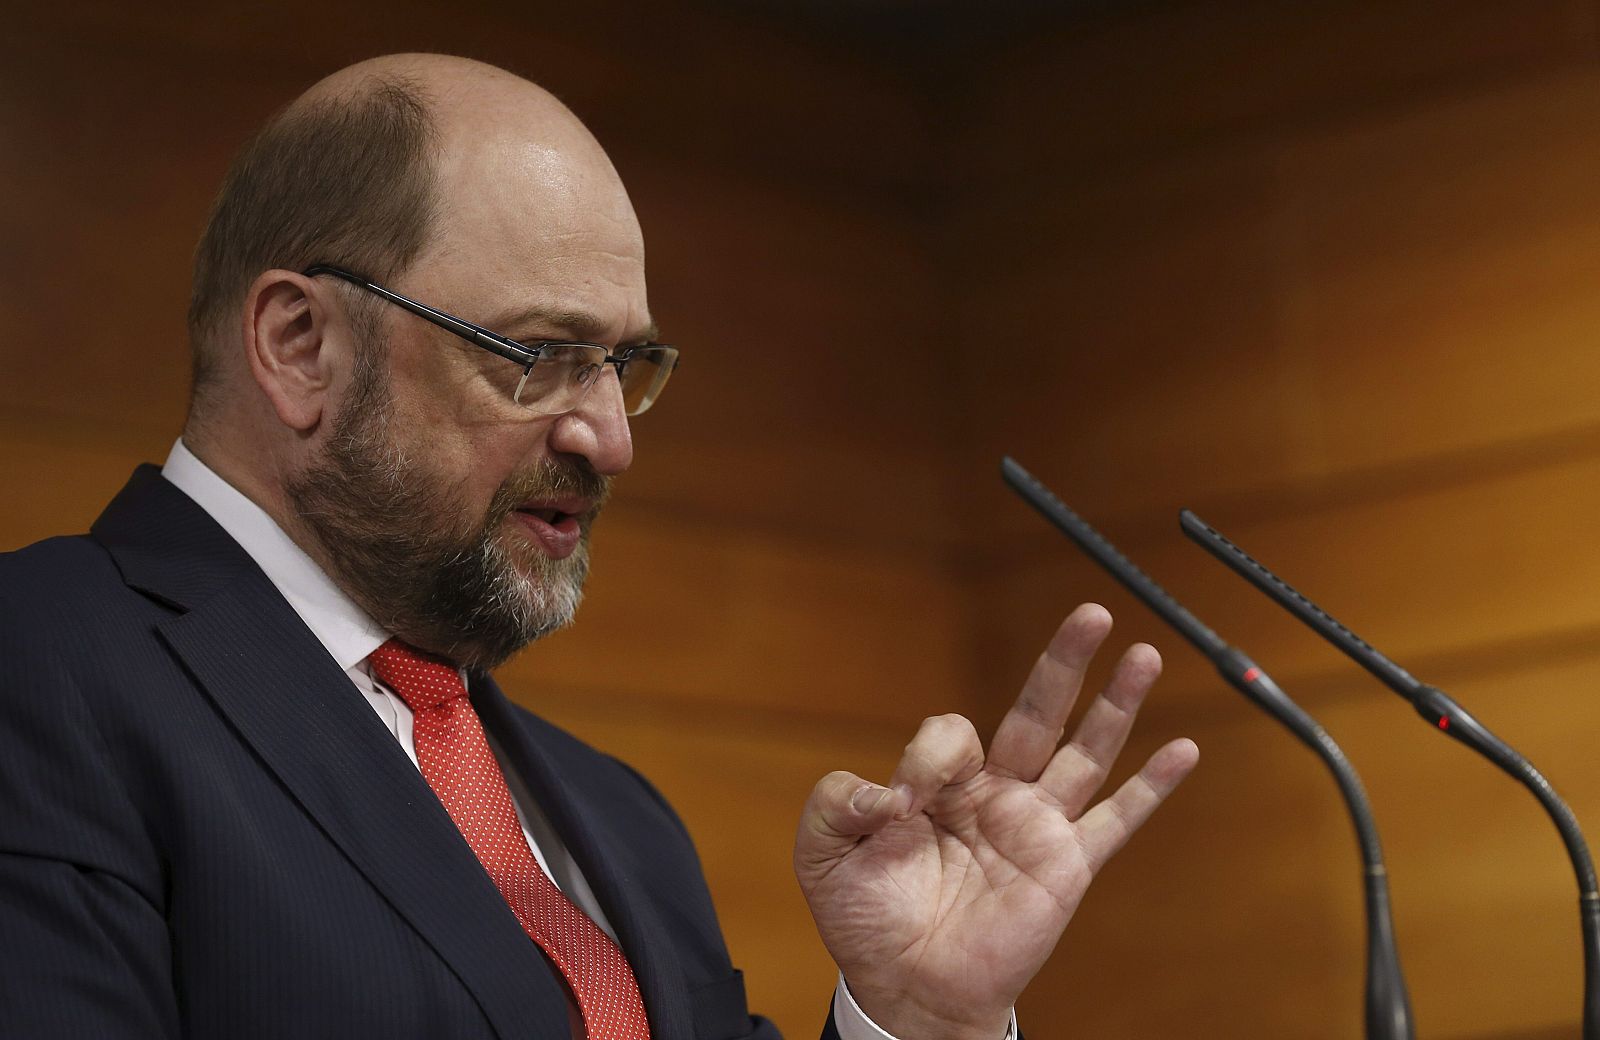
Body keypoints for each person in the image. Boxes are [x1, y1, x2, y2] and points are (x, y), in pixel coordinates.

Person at [0, 53, 1198, 1040]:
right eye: (537, 355)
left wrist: (913, 1014)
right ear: (301, 343)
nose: (610, 438)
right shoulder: (46, 665)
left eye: (627, 366)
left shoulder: (617, 820)